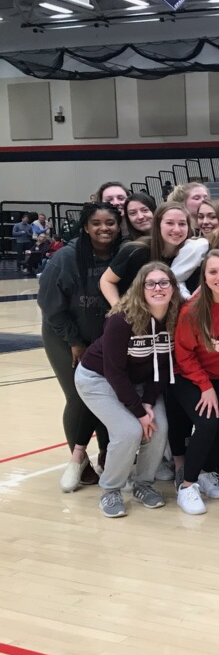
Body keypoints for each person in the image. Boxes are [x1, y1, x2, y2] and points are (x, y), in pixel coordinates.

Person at [74, 262, 180, 517]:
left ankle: (143, 484)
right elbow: (114, 372)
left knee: (160, 427)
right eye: (150, 283)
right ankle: (110, 490)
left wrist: (149, 401)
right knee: (128, 430)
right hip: (98, 379)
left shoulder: (176, 317)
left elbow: (165, 366)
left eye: (164, 283)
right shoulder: (122, 319)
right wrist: (138, 410)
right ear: (140, 288)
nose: (158, 288)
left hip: (141, 383)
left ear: (173, 288)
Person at [38, 203, 119, 492]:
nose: (103, 228)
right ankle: (79, 459)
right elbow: (50, 306)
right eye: (96, 223)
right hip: (64, 337)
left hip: (103, 339)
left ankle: (109, 454)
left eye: (110, 222)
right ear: (85, 227)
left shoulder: (122, 253)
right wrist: (74, 341)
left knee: (108, 395)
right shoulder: (66, 258)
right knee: (79, 396)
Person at [170, 250, 219, 515]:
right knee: (208, 422)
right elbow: (183, 354)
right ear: (204, 276)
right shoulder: (193, 310)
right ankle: (187, 486)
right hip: (189, 376)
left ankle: (206, 472)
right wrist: (204, 385)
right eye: (213, 272)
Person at [99, 203, 207, 303]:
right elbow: (106, 280)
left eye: (182, 224)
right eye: (169, 223)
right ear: (158, 225)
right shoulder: (135, 251)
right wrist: (118, 310)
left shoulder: (191, 254)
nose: (177, 229)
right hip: (134, 314)